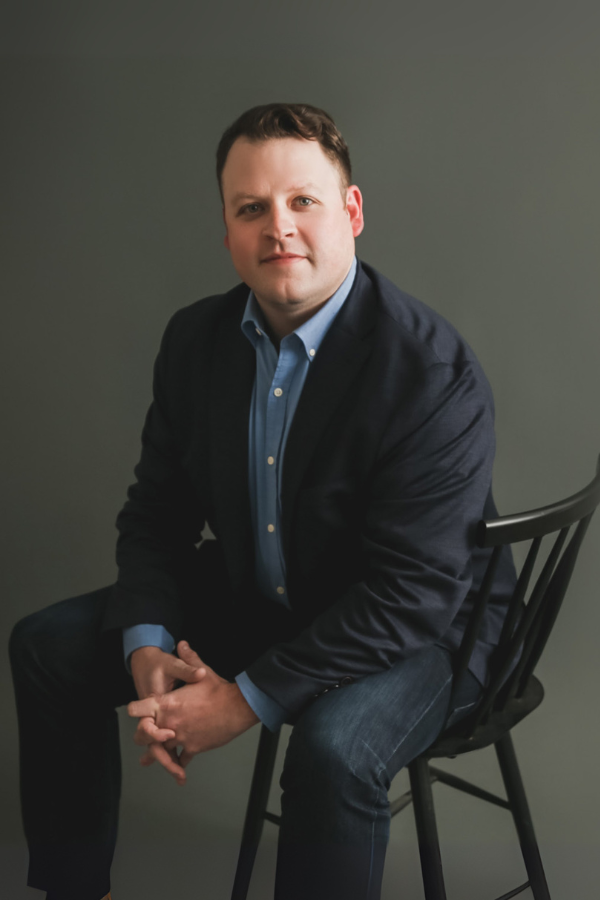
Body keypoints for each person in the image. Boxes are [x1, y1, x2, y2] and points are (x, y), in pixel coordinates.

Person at [9, 102, 516, 900]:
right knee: (49, 646)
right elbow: (156, 516)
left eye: (302, 201)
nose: (277, 227)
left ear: (351, 211)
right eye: (251, 209)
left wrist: (244, 700)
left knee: (330, 748)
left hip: (426, 630)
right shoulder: (194, 342)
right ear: (227, 231)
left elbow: (413, 595)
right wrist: (147, 646)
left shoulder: (429, 371)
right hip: (272, 590)